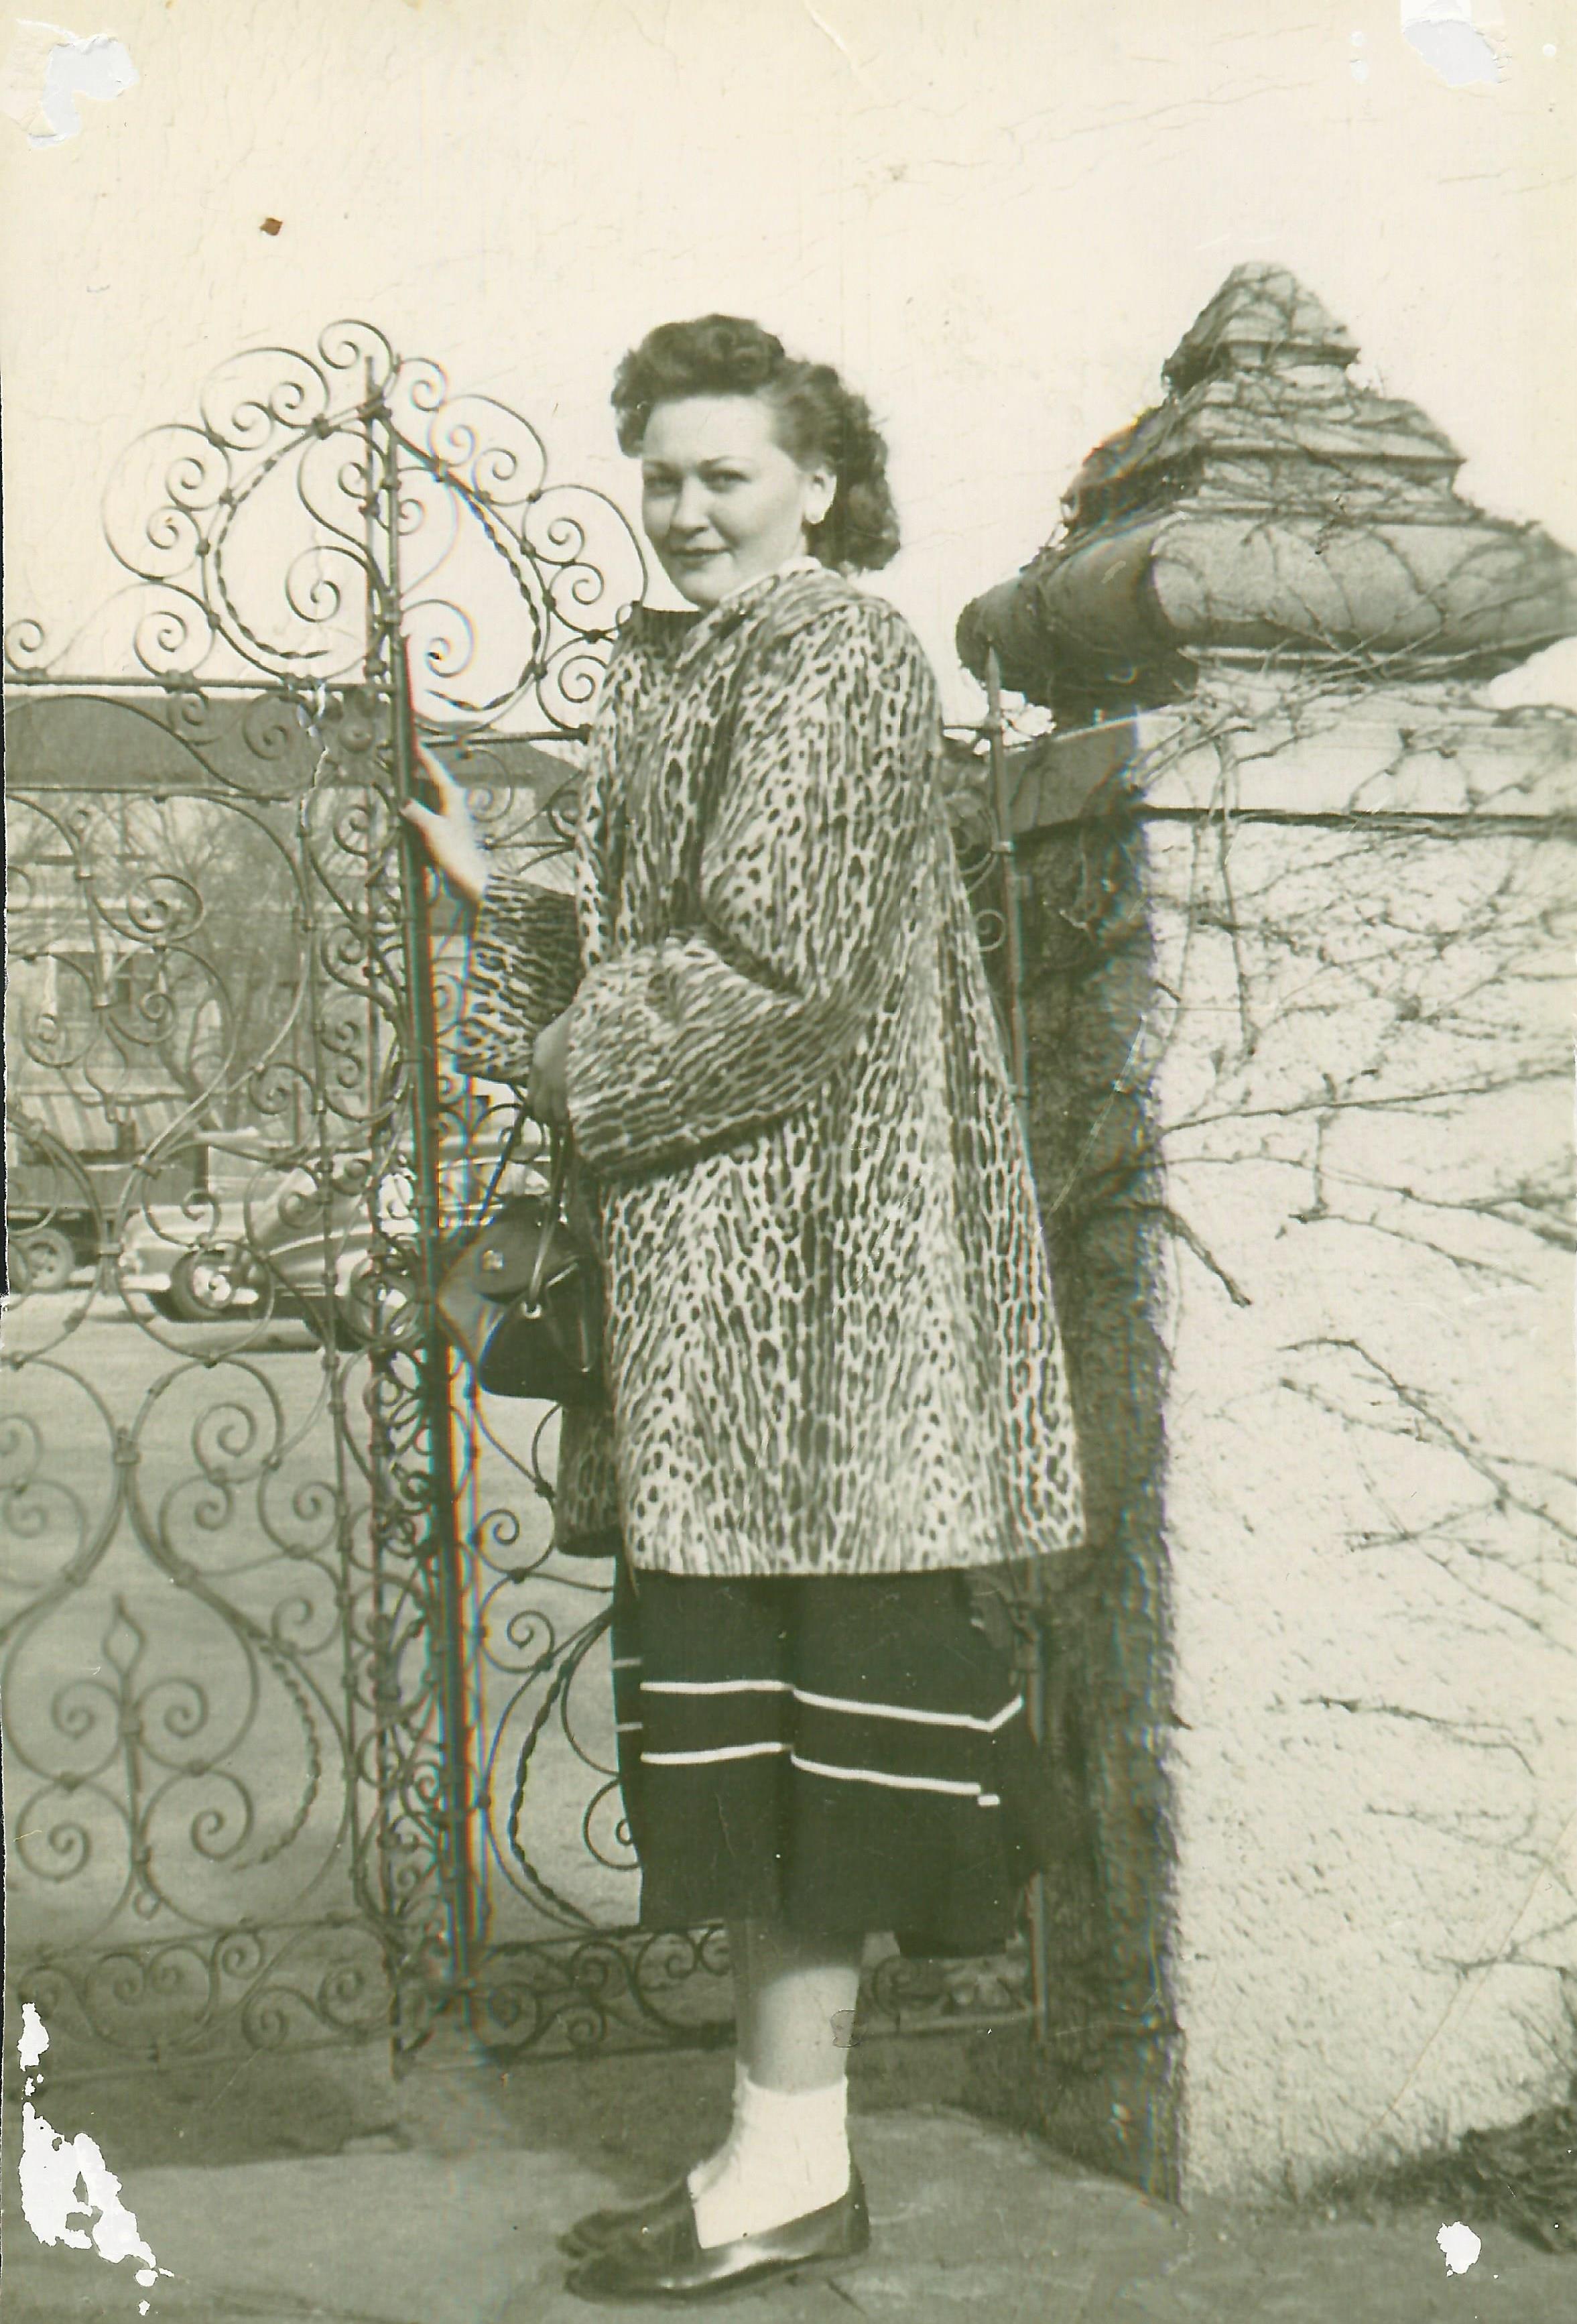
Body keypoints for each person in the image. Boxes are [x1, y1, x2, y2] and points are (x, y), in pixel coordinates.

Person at [405, 314, 1084, 2304]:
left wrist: (560, 1054)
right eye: (663, 474)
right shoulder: (707, 663)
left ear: (818, 483)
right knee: (770, 1761)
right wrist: (501, 903)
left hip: (823, 1318)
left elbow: (777, 977)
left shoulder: (834, 655)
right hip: (733, 1313)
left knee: (822, 1766)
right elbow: (693, 949)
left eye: (727, 473)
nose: (687, 508)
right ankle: (772, 2154)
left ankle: (788, 2170)